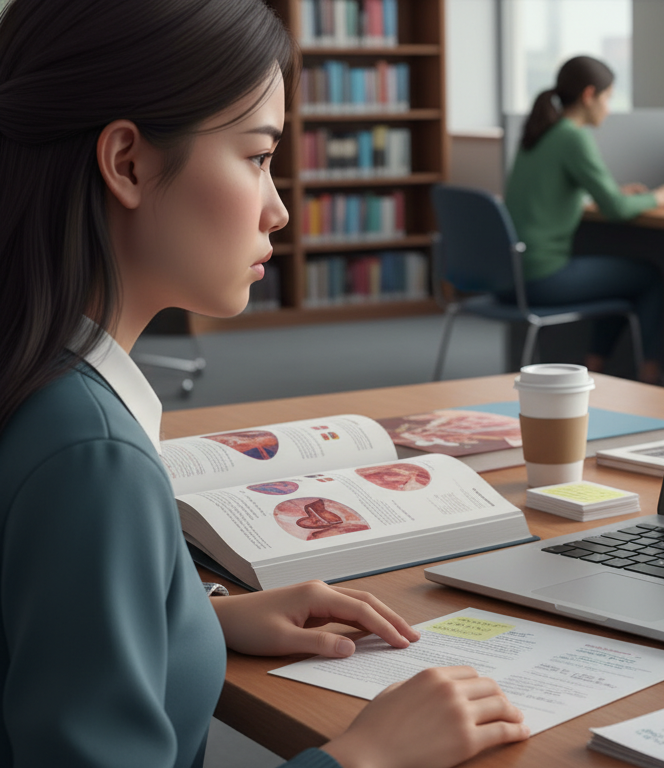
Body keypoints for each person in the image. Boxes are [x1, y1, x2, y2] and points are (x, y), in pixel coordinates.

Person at [0, 2, 529, 766]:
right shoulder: (90, 456)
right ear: (128, 164)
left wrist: (196, 616)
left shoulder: (40, 386)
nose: (279, 209)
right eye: (256, 158)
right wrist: (367, 757)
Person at [504, 56, 664, 385]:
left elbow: (555, 191)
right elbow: (615, 209)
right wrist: (662, 197)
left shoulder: (540, 133)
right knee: (647, 277)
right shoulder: (573, 136)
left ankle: (594, 368)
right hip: (541, 278)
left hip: (508, 276)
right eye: (608, 97)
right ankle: (650, 376)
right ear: (589, 95)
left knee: (620, 277)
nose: (608, 108)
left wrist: (612, 193)